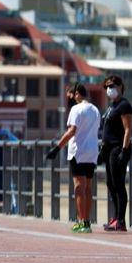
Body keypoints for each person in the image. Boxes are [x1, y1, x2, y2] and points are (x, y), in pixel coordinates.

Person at [45, 83, 100, 233]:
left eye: (71, 95)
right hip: (92, 152)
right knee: (88, 187)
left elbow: (72, 131)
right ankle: (87, 222)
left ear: (77, 94)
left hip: (78, 152)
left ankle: (81, 222)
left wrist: (57, 148)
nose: (69, 98)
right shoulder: (95, 110)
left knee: (78, 187)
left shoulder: (76, 109)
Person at [99, 75, 132, 232]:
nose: (109, 89)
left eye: (111, 85)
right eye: (106, 86)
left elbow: (127, 130)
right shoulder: (112, 106)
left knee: (118, 184)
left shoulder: (124, 105)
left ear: (120, 86)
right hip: (108, 150)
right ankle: (115, 217)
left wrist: (124, 151)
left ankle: (121, 221)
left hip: (117, 149)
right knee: (110, 184)